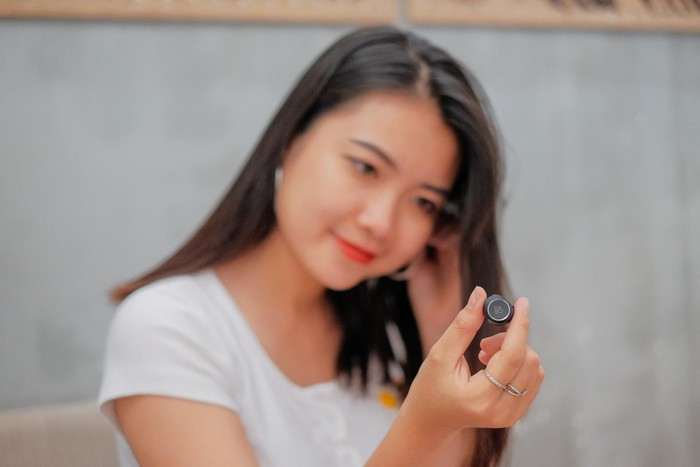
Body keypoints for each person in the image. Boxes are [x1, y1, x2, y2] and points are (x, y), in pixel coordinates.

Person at [98, 26, 544, 467]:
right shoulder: (168, 327)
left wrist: (439, 326)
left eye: (423, 201)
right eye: (365, 167)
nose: (380, 222)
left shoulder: (386, 331)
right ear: (290, 140)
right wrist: (426, 426)